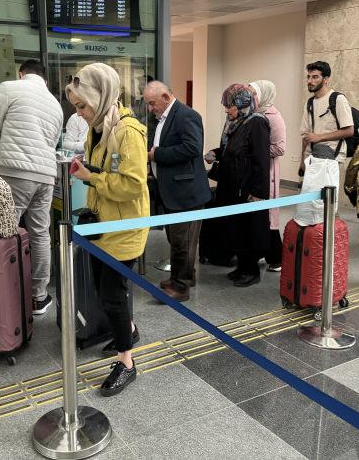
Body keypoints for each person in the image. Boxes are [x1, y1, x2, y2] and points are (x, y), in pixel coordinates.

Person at [65, 62, 149, 396]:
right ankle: (128, 328)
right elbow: (103, 170)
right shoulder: (98, 127)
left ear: (101, 96)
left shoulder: (128, 131)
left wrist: (91, 177)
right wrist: (86, 169)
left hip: (125, 228)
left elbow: (132, 185)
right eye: (76, 107)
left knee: (113, 295)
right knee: (105, 292)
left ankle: (127, 363)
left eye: (83, 105)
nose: (81, 113)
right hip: (103, 225)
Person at [0, 60, 63, 315]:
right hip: (46, 174)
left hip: (14, 172)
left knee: (4, 231)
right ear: (44, 80)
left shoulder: (8, 88)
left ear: (21, 73)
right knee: (40, 233)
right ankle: (39, 297)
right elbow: (52, 142)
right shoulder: (55, 104)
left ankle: (5, 294)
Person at [144, 80, 211, 302]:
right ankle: (182, 277)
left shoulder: (186, 115)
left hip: (187, 191)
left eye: (152, 103)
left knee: (182, 241)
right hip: (173, 189)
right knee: (177, 239)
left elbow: (192, 148)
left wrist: (157, 155)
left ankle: (180, 288)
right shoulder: (164, 118)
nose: (150, 108)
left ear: (165, 97)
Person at [205, 84, 270, 287]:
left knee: (247, 228)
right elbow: (230, 149)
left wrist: (258, 193)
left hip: (247, 187)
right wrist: (216, 153)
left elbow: (261, 160)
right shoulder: (234, 123)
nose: (226, 109)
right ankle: (241, 267)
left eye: (230, 106)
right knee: (235, 228)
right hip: (231, 185)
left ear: (242, 104)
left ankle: (251, 270)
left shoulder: (257, 123)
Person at [249, 80, 286, 272]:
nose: (250, 98)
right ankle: (263, 252)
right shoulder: (255, 114)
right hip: (257, 168)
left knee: (269, 216)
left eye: (253, 94)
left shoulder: (273, 116)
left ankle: (276, 257)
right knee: (260, 215)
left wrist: (256, 149)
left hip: (268, 170)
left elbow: (280, 148)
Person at [299, 61, 354, 173]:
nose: (310, 81)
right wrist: (302, 162)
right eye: (308, 77)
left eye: (315, 77)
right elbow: (306, 136)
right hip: (312, 158)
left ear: (326, 79)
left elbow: (349, 130)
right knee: (311, 190)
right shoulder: (309, 103)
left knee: (326, 191)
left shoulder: (338, 99)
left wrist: (319, 137)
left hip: (331, 158)